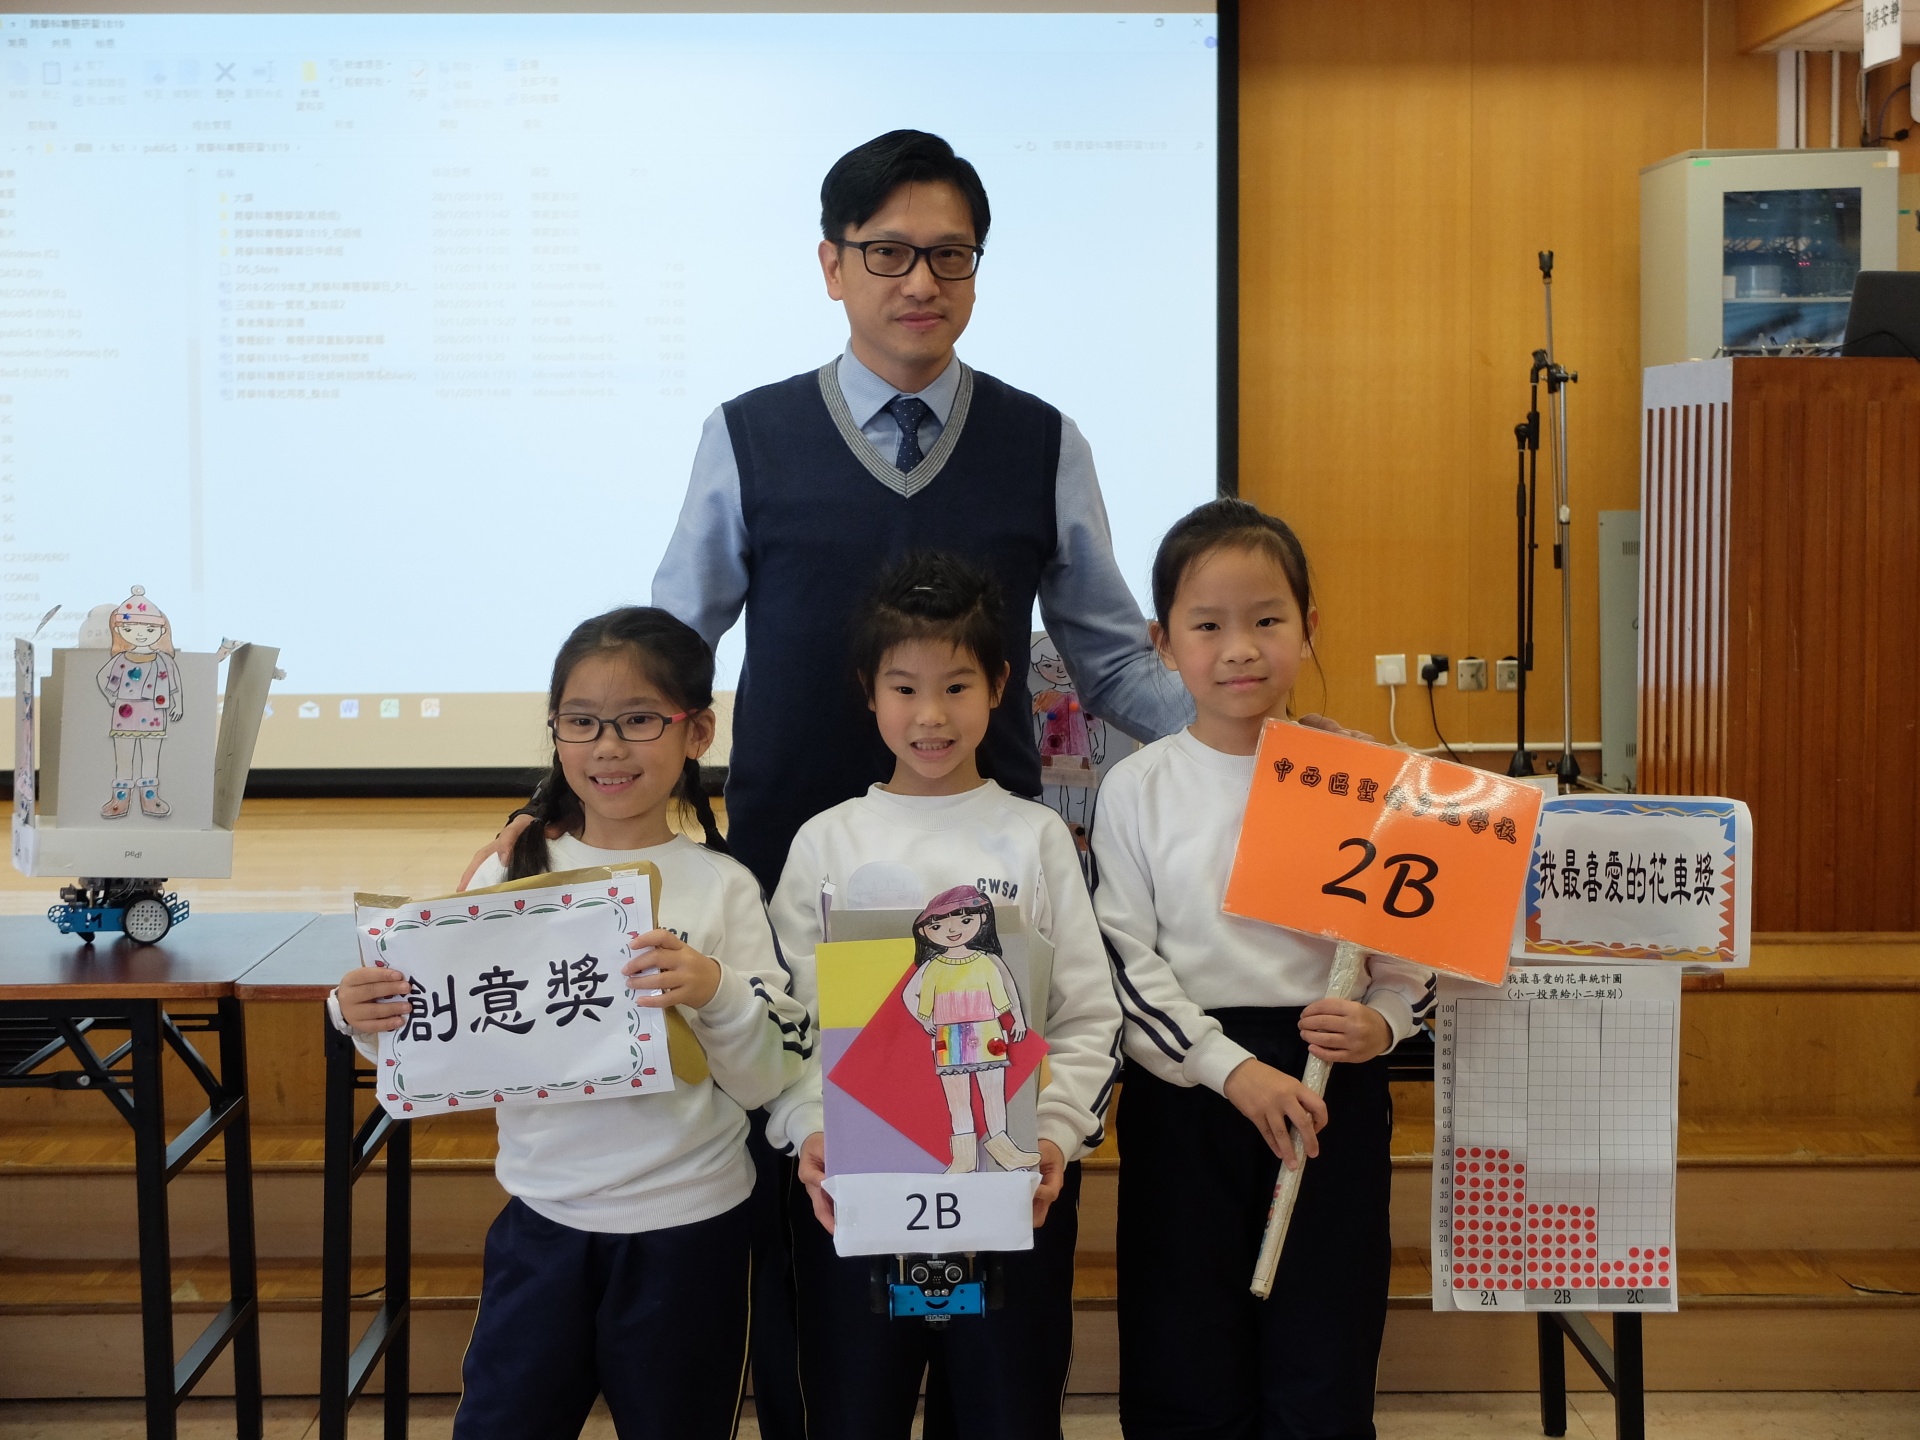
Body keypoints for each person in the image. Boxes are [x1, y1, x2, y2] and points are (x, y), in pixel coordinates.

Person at [649, 127, 1191, 892]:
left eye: (950, 255)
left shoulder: (1045, 443)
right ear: (832, 266)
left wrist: (1262, 742)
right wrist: (563, 802)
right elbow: (669, 653)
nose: (921, 282)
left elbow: (1116, 666)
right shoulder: (747, 436)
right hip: (789, 861)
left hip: (990, 872)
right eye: (888, 253)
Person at [331, 608, 812, 1440]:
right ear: (555, 730)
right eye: (581, 722)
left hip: (690, 1229)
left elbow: (770, 1074)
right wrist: (360, 1015)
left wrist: (715, 990)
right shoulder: (509, 871)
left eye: (639, 720)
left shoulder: (723, 885)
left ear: (697, 732)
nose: (608, 747)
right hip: (543, 1222)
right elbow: (437, 1032)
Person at [1091, 499, 1435, 1440]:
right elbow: (1125, 963)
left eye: (1267, 620)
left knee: (1324, 1337)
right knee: (1183, 1340)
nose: (1240, 649)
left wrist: (1384, 1022)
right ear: (1164, 643)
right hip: (1193, 1085)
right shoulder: (1138, 787)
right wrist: (1230, 1069)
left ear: (1308, 626)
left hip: (1329, 1075)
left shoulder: (1362, 776)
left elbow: (1414, 949)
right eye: (1208, 626)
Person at [763, 551, 1122, 1440]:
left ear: (999, 685)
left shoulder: (1036, 838)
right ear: (869, 692)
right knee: (853, 1412)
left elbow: (1086, 1014)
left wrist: (1053, 1133)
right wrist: (808, 1128)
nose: (931, 715)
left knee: (1005, 1413)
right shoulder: (826, 843)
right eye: (905, 688)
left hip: (1012, 1193)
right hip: (857, 1188)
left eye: (956, 687)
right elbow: (787, 1022)